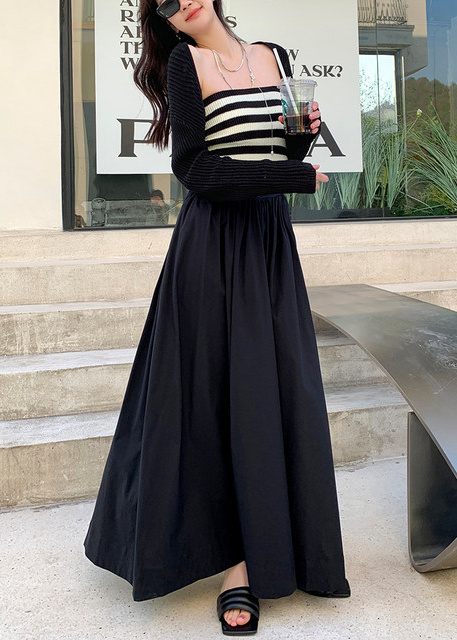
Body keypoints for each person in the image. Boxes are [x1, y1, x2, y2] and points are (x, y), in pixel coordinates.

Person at [84, 0, 350, 635]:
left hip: (268, 246)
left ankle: (277, 545)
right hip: (211, 246)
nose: (184, 2)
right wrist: (294, 176)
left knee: (272, 392)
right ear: (166, 20)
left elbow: (283, 145)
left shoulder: (273, 56)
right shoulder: (185, 64)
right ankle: (236, 568)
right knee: (216, 398)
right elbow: (195, 169)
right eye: (167, 3)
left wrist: (303, 134)